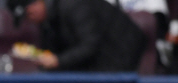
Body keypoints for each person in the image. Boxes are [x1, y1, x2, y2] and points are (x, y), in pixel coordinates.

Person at [8, 0, 146, 72]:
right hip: (98, 55)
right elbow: (55, 50)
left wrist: (58, 60)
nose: (30, 19)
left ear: (37, 3)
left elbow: (91, 44)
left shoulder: (73, 4)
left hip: (119, 48)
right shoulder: (48, 19)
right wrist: (44, 58)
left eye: (29, 14)